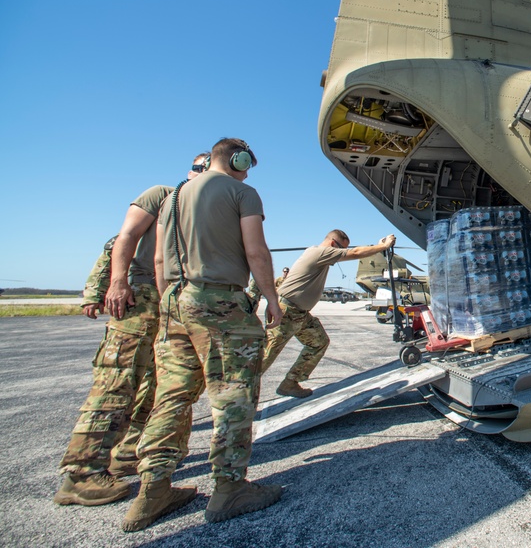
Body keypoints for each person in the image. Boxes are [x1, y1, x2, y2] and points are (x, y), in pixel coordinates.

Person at [122, 138, 283, 532]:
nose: (248, 172)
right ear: (238, 159)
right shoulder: (242, 191)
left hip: (174, 303)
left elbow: (159, 258)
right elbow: (256, 252)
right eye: (247, 164)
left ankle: (153, 490)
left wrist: (172, 303)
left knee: (172, 397)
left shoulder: (174, 196)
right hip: (221, 305)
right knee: (233, 395)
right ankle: (229, 489)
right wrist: (271, 299)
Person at [54, 154, 209, 507]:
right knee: (117, 382)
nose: (204, 176)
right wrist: (114, 284)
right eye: (200, 169)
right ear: (190, 172)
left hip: (169, 304)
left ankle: (126, 454)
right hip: (137, 298)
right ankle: (80, 473)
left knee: (155, 386)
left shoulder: (203, 211)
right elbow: (122, 239)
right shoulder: (162, 194)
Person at [261, 230, 396, 398]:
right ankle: (233, 401)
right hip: (287, 312)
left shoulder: (318, 254)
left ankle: (290, 383)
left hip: (300, 314)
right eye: (340, 249)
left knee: (319, 342)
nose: (340, 255)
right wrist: (383, 246)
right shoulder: (321, 252)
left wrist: (377, 246)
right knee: (265, 356)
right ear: (333, 244)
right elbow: (354, 253)